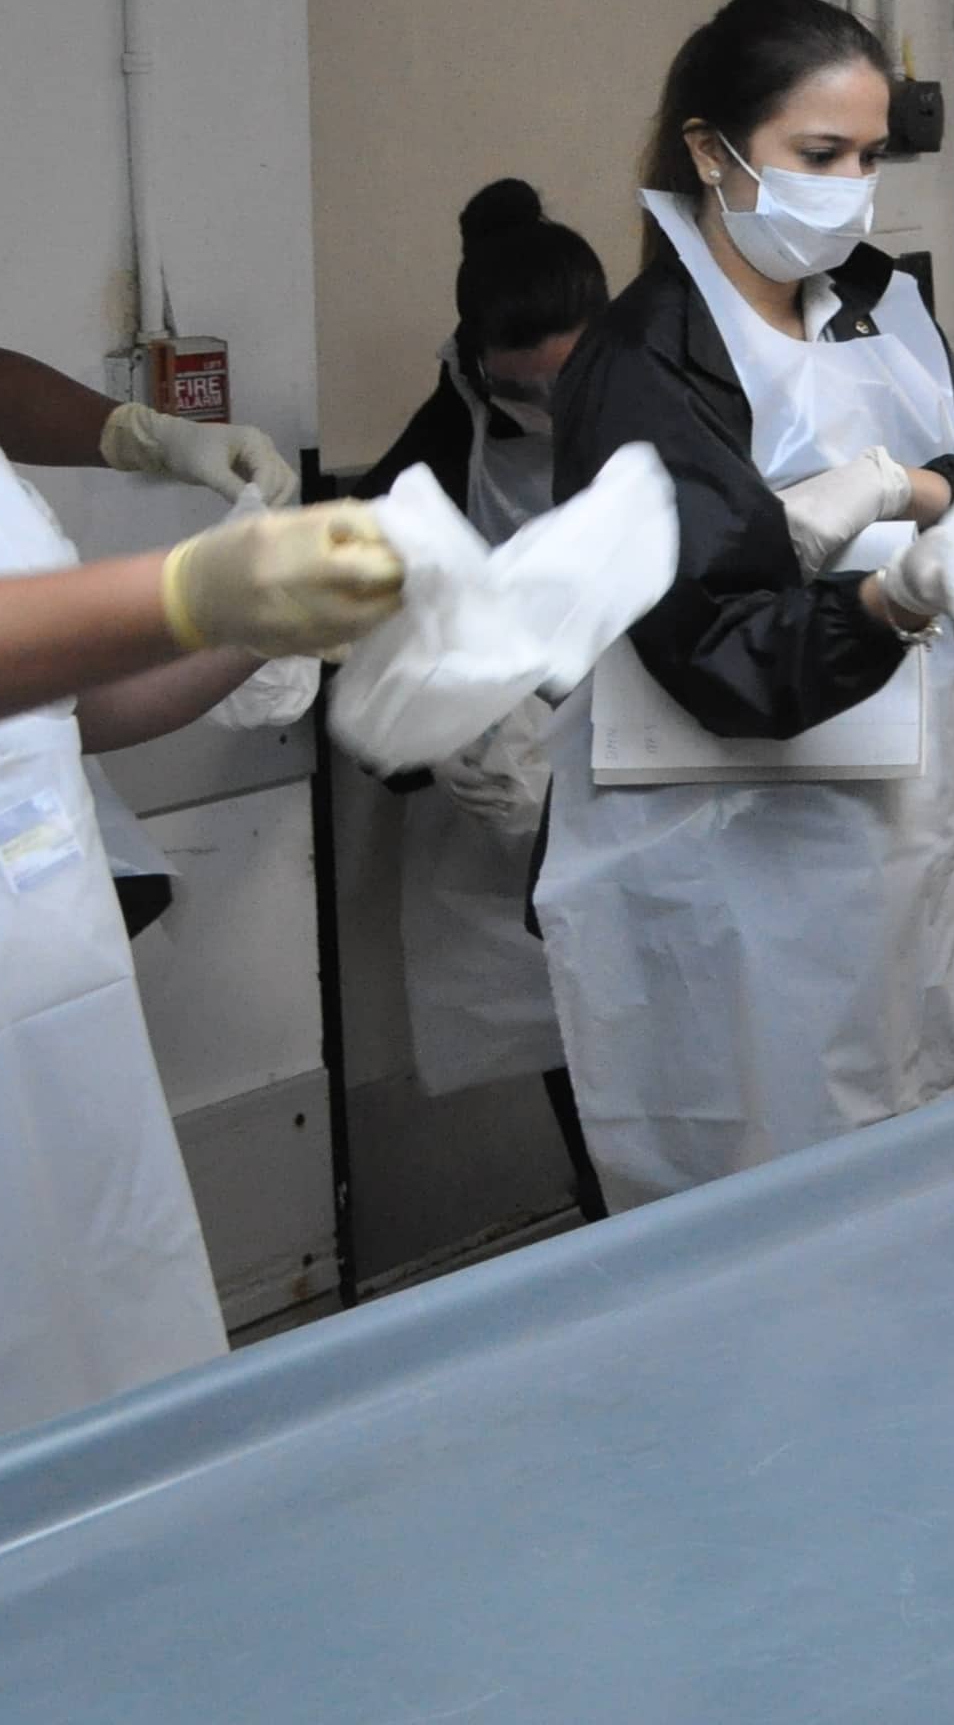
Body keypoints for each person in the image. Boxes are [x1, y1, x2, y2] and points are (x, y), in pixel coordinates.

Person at [540, 0, 954, 1207]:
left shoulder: (879, 309)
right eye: (818, 156)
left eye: (871, 157)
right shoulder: (644, 365)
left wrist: (918, 489)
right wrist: (888, 602)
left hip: (904, 838)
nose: (851, 188)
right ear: (709, 152)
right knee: (771, 1186)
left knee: (929, 1156)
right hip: (731, 868)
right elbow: (725, 661)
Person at [0, 351, 393, 1440]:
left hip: (50, 984)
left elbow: (72, 698)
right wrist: (188, 589)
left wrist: (248, 621)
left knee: (106, 1335)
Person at [345, 180, 612, 1212]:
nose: (551, 412)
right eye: (522, 394)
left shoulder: (677, 394)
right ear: (474, 367)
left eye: (568, 383)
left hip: (676, 769)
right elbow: (370, 661)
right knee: (577, 1048)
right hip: (529, 806)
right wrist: (439, 728)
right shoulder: (430, 460)